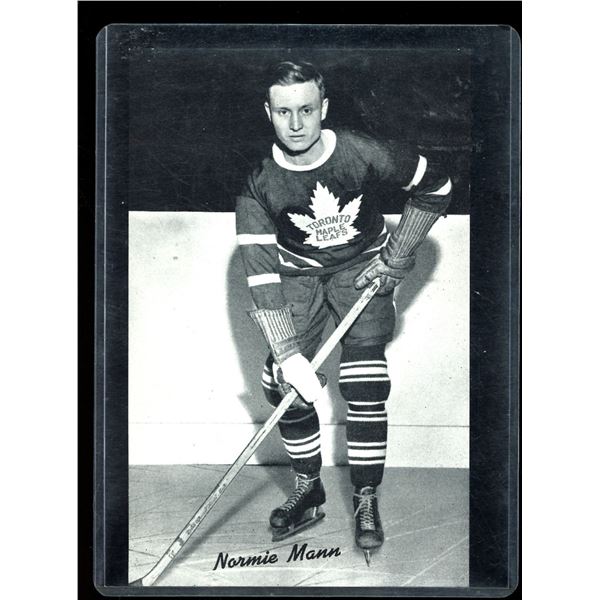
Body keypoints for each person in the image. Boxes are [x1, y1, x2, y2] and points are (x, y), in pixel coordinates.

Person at [235, 61, 452, 564]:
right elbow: (261, 272)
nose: (296, 124)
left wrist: (397, 256)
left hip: (362, 270)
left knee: (365, 381)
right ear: (268, 113)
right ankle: (308, 488)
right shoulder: (257, 183)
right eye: (284, 112)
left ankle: (365, 497)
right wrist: (288, 354)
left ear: (324, 108)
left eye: (306, 110)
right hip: (298, 276)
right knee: (281, 383)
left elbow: (437, 185)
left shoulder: (362, 151)